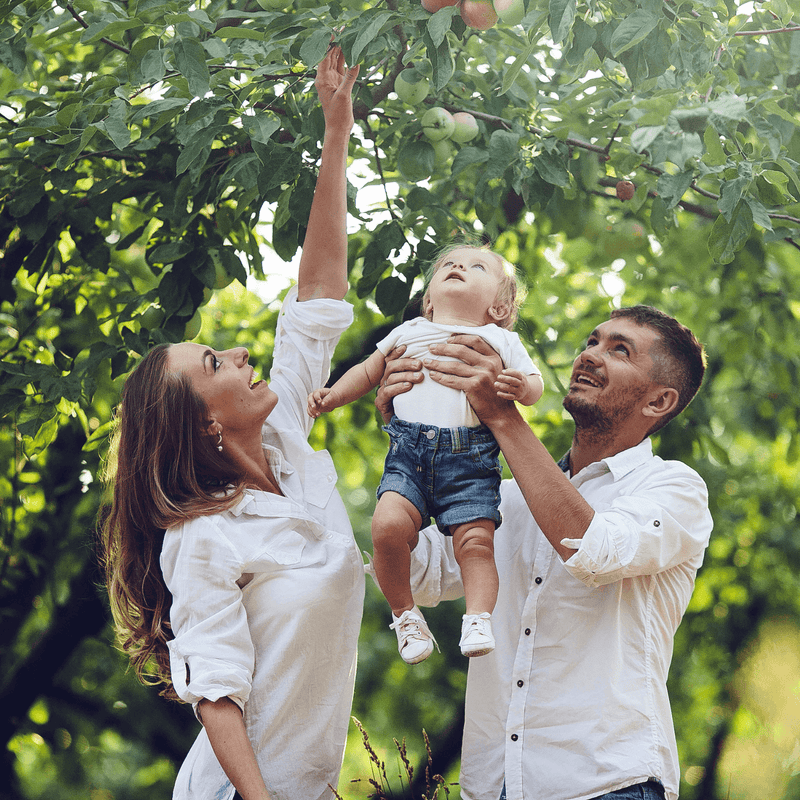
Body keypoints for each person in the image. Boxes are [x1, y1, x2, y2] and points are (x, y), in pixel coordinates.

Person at [99, 47, 362, 800]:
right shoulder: (203, 536)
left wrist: (335, 134)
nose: (242, 354)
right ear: (205, 426)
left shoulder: (288, 451)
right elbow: (215, 689)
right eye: (216, 363)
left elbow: (315, 295)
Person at [376, 305, 713, 800]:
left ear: (659, 400)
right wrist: (411, 438)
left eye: (620, 349)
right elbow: (415, 571)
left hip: (608, 785)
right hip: (492, 787)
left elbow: (593, 552)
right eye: (592, 341)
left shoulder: (675, 489)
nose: (591, 355)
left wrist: (499, 414)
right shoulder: (504, 499)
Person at [307, 245, 543, 664]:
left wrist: (520, 389)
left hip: (470, 463)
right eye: (448, 265)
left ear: (500, 306)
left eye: (476, 267)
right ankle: (405, 616)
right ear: (429, 301)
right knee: (387, 528)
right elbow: (367, 371)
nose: (458, 267)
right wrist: (333, 395)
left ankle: (478, 616)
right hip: (408, 455)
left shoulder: (501, 340)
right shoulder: (406, 332)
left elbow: (533, 384)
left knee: (475, 544)